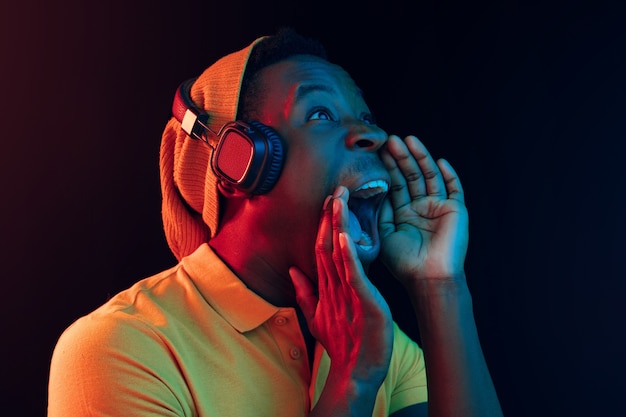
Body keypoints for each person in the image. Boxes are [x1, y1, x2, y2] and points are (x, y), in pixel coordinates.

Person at [48, 27, 503, 417]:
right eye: (320, 114)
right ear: (240, 162)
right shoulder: (116, 347)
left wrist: (440, 286)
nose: (374, 135)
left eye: (365, 117)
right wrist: (351, 386)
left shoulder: (378, 341)